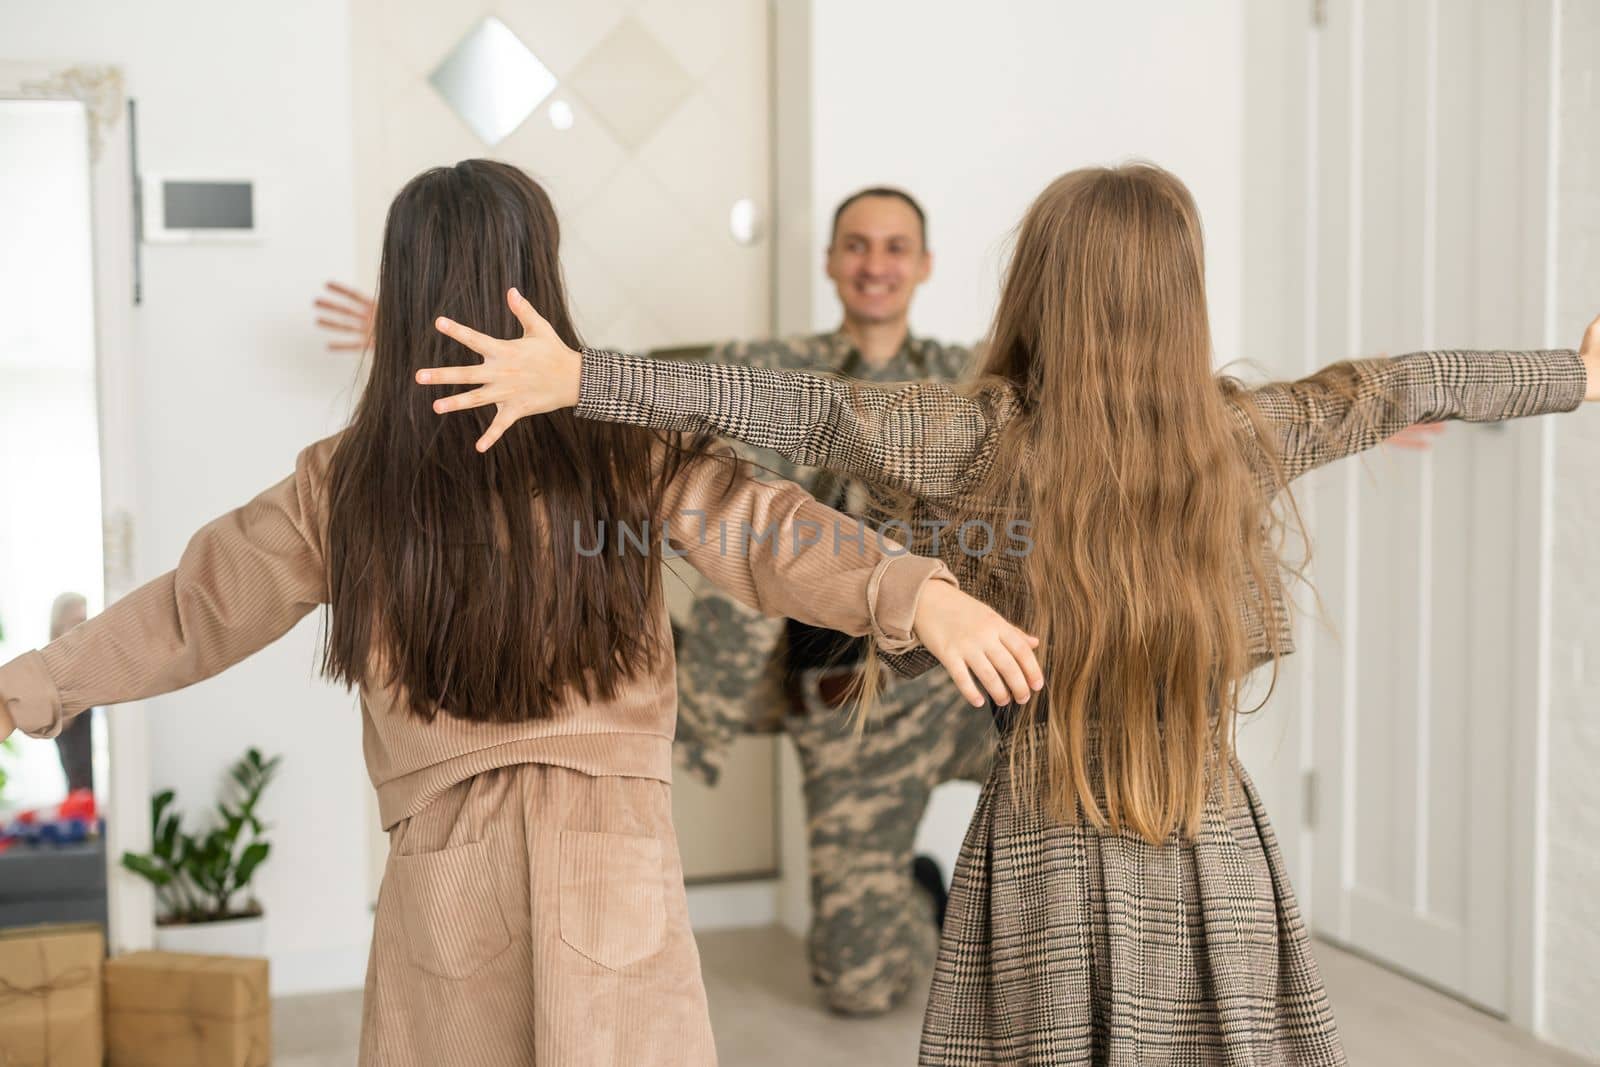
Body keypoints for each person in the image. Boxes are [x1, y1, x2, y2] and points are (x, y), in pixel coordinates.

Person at [417, 161, 1600, 1065]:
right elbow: (1404, 381)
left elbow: (800, 412)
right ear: (1181, 294)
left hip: (1042, 832)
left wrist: (583, 378)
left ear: (1040, 285)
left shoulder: (978, 433)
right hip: (1210, 832)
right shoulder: (1250, 431)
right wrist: (1578, 375)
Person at [0, 160, 1043, 1067]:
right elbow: (769, 531)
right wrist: (917, 596)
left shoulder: (346, 481)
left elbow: (193, 609)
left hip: (444, 860)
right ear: (537, 278)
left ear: (406, 290)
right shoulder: (622, 448)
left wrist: (31, 684)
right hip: (613, 840)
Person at [321, 185, 993, 1016]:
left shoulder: (968, 379)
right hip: (848, 696)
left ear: (924, 265)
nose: (875, 265)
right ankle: (917, 903)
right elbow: (609, 376)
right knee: (860, 984)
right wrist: (432, 331)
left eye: (895, 248)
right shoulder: (768, 361)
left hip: (959, 672)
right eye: (857, 245)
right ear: (829, 261)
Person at [47, 593, 94, 794]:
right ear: (58, 629)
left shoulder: (83, 665)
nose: (84, 628)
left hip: (92, 782)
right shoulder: (55, 669)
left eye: (86, 621)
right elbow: (62, 722)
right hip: (78, 784)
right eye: (78, 622)